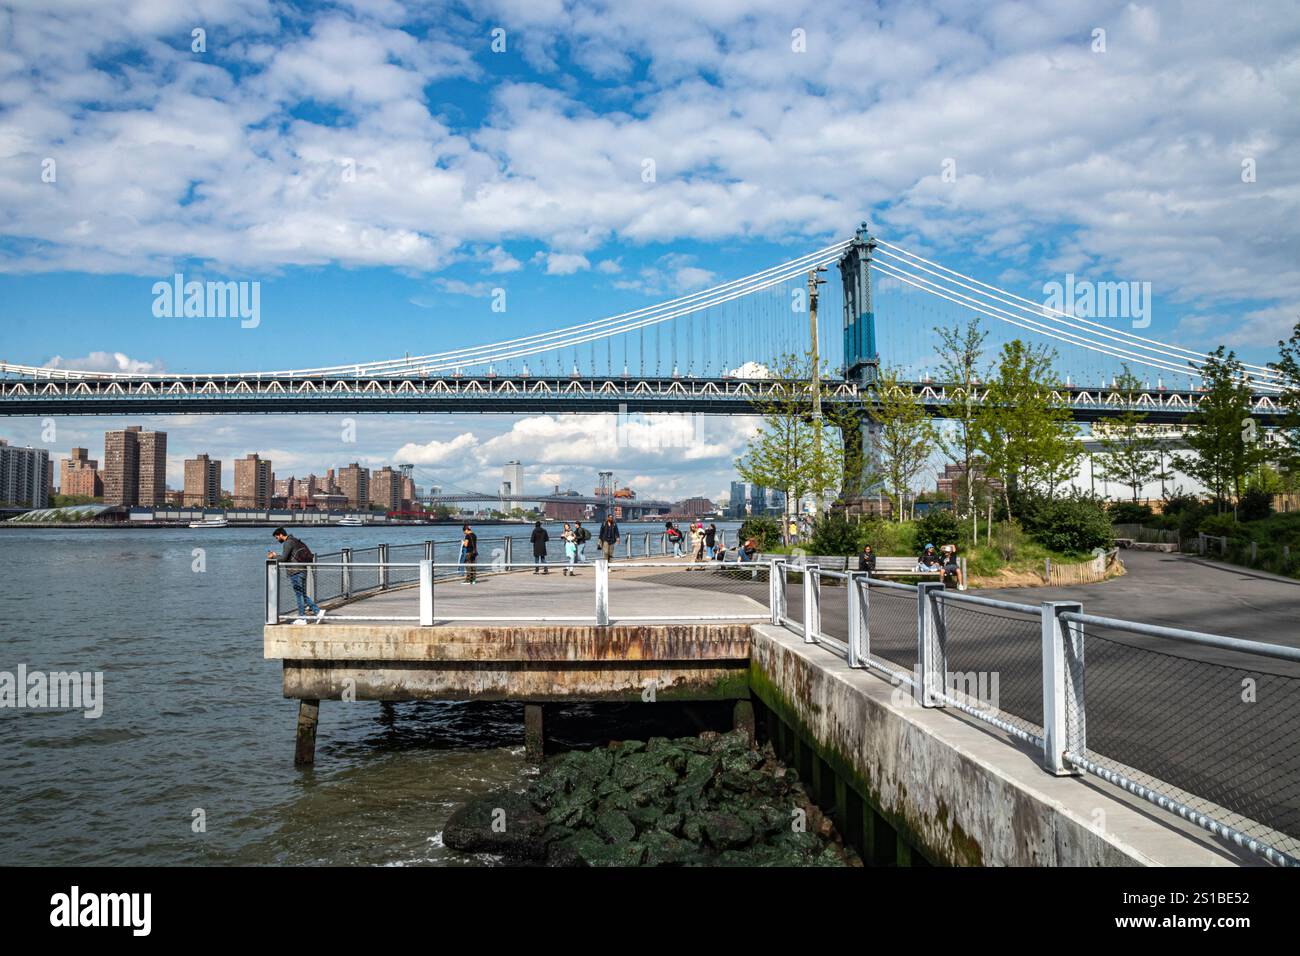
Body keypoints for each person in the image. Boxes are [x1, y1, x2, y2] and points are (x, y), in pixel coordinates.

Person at [268, 527, 324, 624]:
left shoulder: (288, 542)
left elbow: (284, 558)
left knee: (299, 595)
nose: (277, 540)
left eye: (277, 538)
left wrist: (273, 556)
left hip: (296, 571)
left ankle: (302, 618)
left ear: (281, 535)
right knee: (302, 594)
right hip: (302, 570)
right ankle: (317, 612)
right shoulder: (294, 540)